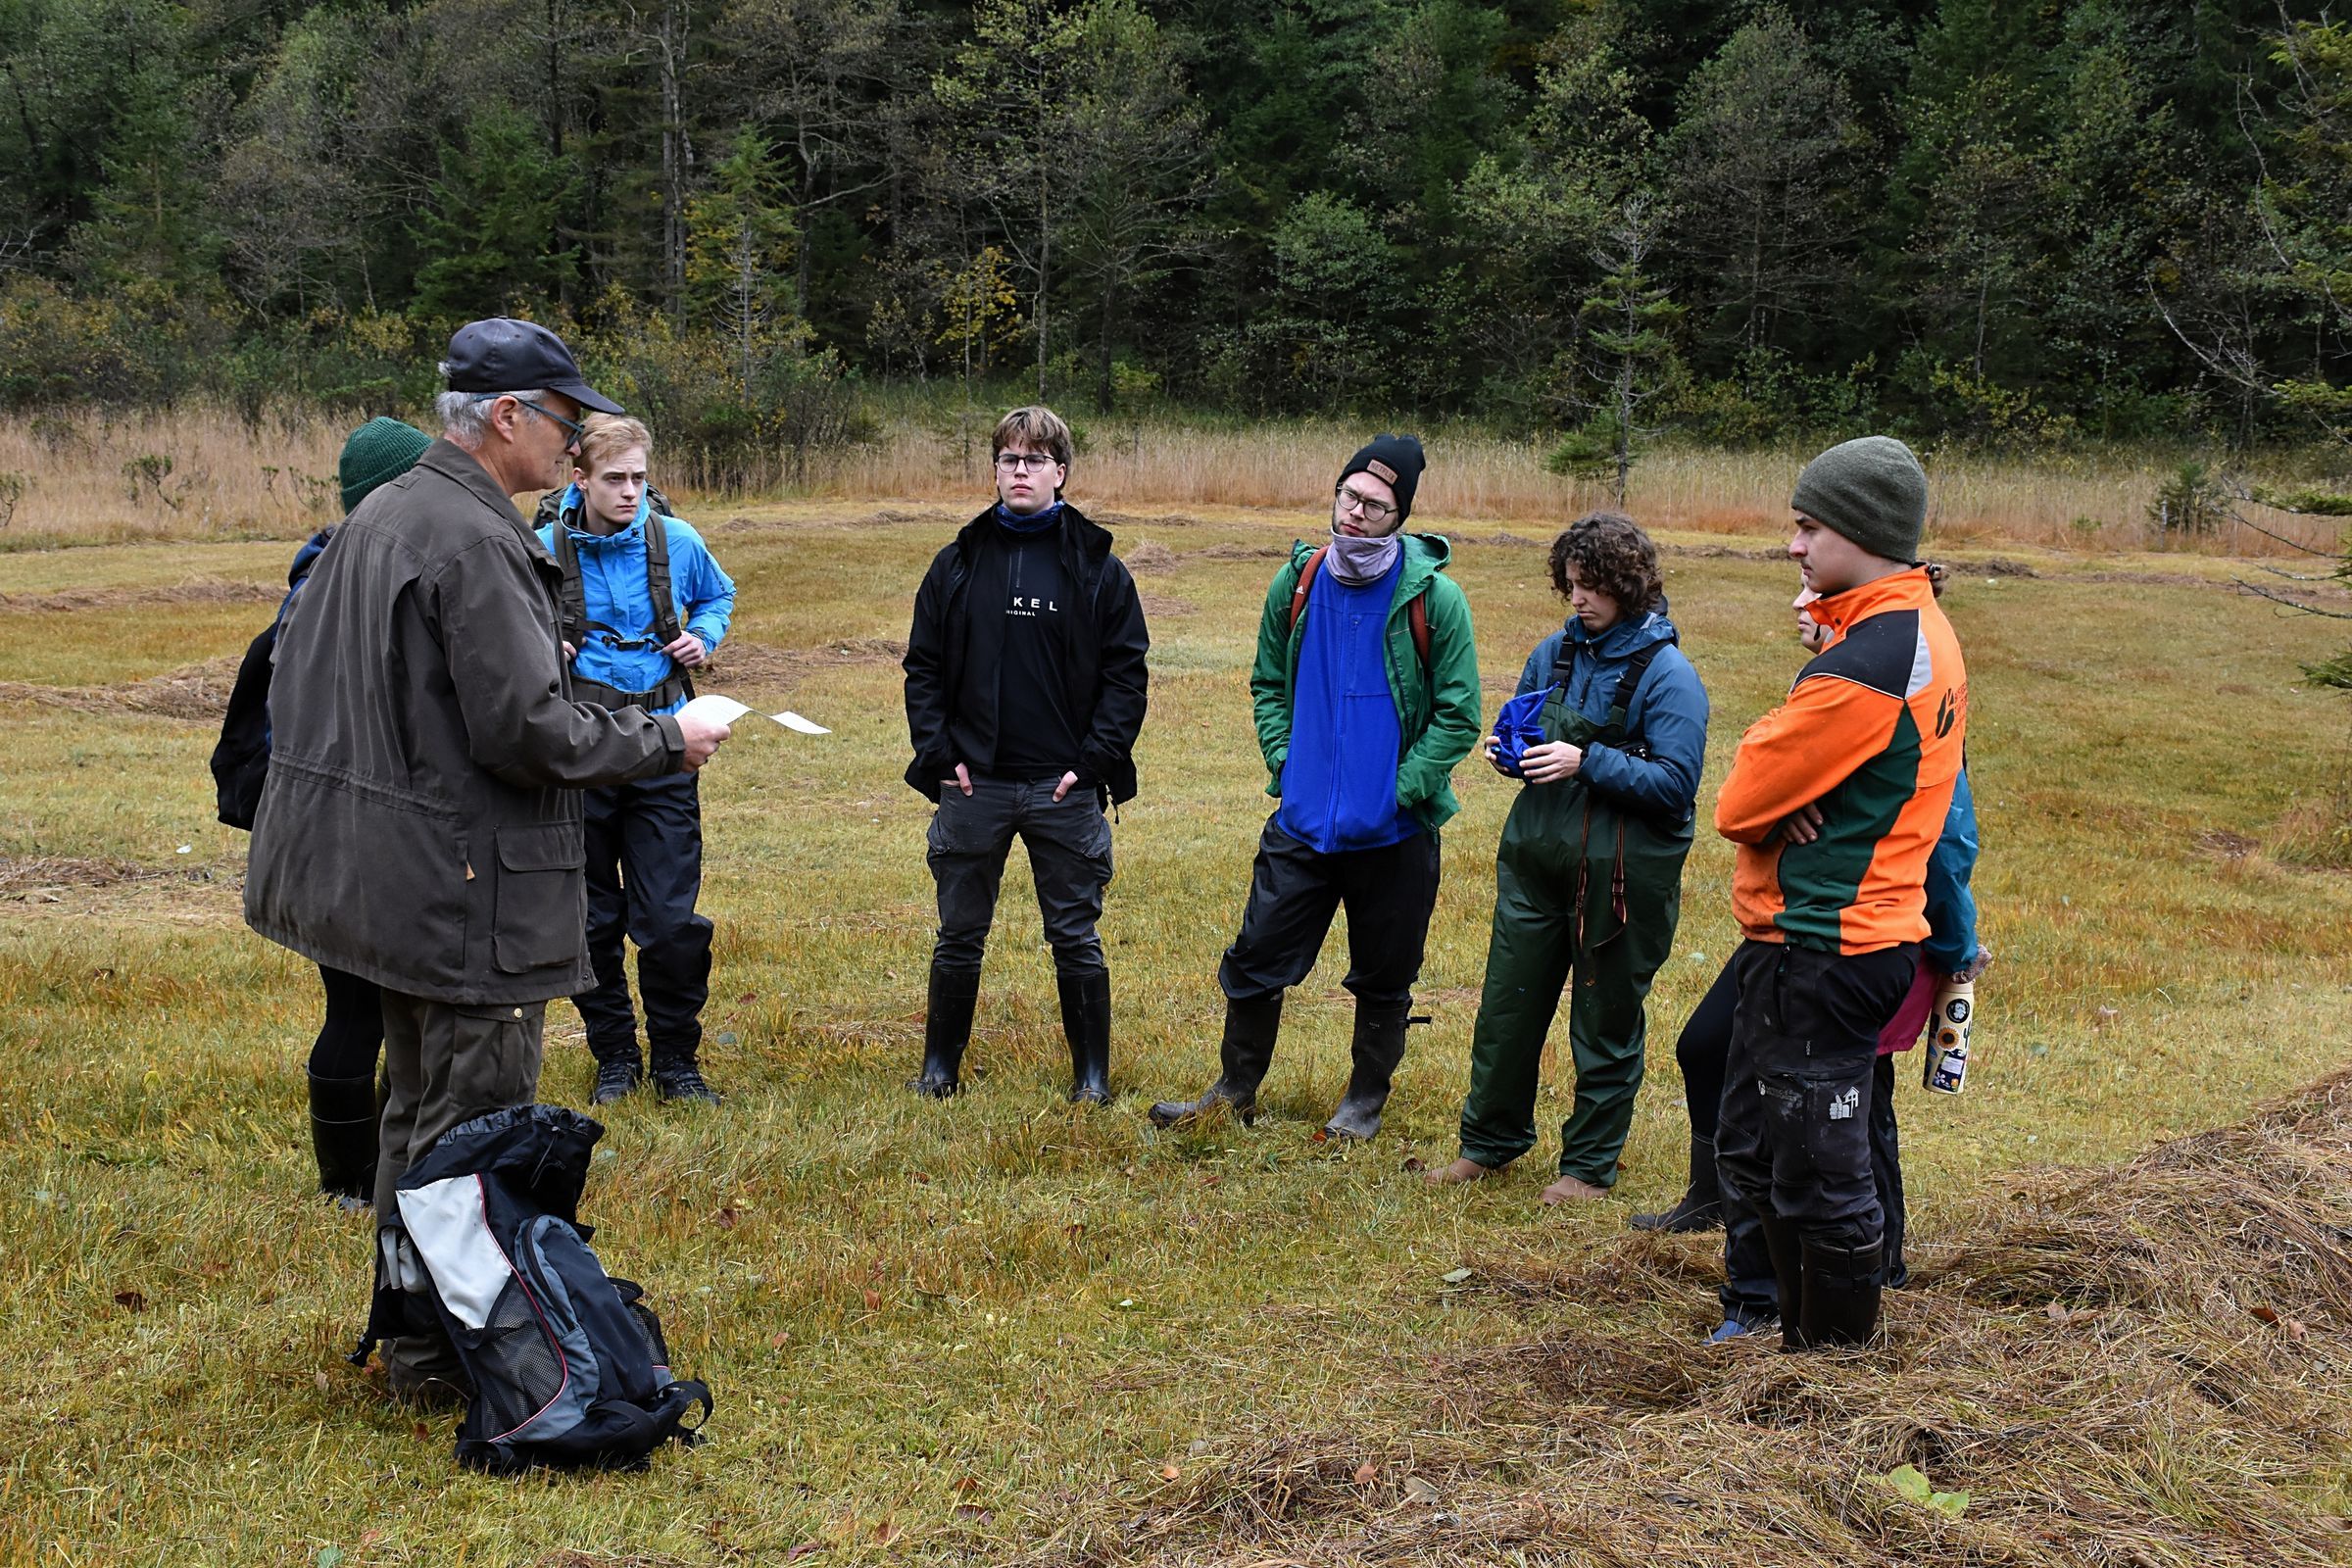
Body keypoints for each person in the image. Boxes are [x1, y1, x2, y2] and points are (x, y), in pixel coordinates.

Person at [243, 318, 733, 1402]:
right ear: (506, 416)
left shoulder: (386, 514)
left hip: (393, 884)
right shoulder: (470, 539)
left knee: (415, 1117)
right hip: (460, 892)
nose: (576, 444)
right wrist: (667, 736)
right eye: (564, 421)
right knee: (474, 1133)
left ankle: (418, 1339)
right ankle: (463, 1359)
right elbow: (527, 734)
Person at [1658, 576, 1987, 1344]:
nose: (1802, 605)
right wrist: (1778, 809)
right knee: (1792, 1116)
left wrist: (1955, 949)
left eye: (1817, 594)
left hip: (1867, 938)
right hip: (1810, 938)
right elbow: (1756, 799)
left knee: (1844, 1127)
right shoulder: (1846, 690)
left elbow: (1946, 844)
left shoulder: (1879, 682)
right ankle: (1763, 1296)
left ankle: (1859, 1292)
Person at [1712, 435, 1968, 1351]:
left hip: (1831, 943)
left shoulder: (1866, 662)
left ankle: (1832, 1363)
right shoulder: (1915, 631)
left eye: (1808, 526)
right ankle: (1784, 1324)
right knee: (1767, 1142)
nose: (1795, 547)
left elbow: (1741, 801)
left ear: (1861, 530)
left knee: (1818, 1165)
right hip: (1830, 937)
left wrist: (1783, 796)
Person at [1151, 435, 1481, 1141]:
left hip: (1395, 831)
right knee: (1255, 958)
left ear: (1400, 517)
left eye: (1376, 506)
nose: (1356, 514)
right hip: (1301, 824)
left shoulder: (1436, 600)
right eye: (1349, 497)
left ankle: (1361, 1105)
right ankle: (1235, 1088)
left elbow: (1460, 715)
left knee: (1384, 976)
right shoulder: (1296, 584)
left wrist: (1401, 790)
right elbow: (1268, 683)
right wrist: (1285, 759)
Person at [1427, 513, 1707, 1201]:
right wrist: (1507, 757)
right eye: (1572, 585)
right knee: (1506, 1009)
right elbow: (1522, 731)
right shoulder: (1553, 653)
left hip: (1620, 879)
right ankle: (1488, 1145)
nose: (1579, 599)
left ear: (1630, 586)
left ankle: (1587, 1167)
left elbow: (1676, 786)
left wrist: (1589, 761)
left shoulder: (1669, 676)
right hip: (1535, 863)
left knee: (1604, 1019)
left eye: (1594, 586)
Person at [213, 416, 432, 1208]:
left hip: (334, 821)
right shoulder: (345, 589)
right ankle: (350, 1180)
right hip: (339, 824)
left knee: (370, 1002)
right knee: (361, 1004)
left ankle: (372, 1173)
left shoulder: (325, 576)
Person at [901, 405, 1150, 1103]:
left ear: (1060, 472)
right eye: (1009, 459)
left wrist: (1094, 762)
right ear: (995, 470)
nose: (1020, 470)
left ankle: (1091, 1078)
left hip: (1061, 788)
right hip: (973, 785)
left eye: (1035, 459)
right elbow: (921, 666)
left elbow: (1127, 676)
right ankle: (939, 1069)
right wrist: (939, 749)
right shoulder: (957, 562)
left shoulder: (1098, 569)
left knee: (1075, 935)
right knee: (959, 933)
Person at [535, 415, 737, 1107]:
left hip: (664, 746)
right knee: (589, 918)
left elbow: (718, 594)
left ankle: (677, 1059)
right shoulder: (539, 550)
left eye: (640, 479)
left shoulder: (676, 540)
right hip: (580, 748)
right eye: (615, 479)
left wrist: (703, 637)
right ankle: (615, 1055)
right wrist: (543, 646)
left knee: (671, 919)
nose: (630, 493)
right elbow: (500, 629)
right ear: (580, 478)